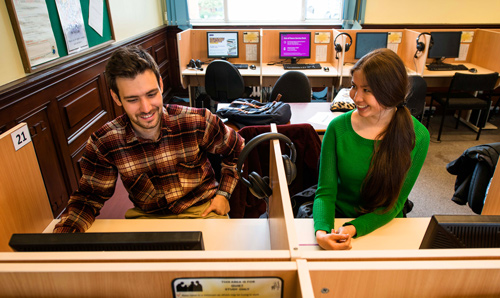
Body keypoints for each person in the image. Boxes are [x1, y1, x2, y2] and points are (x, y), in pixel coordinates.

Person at [53, 45, 244, 233]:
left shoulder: (197, 120)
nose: (146, 108)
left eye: (151, 94)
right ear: (116, 98)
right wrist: (62, 241)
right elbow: (88, 198)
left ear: (161, 85)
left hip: (201, 210)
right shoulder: (104, 142)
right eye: (133, 99)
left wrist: (224, 194)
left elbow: (237, 148)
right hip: (148, 218)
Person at [313, 48, 430, 250]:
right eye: (354, 87)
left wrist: (354, 228)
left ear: (391, 91)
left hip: (384, 224)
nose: (356, 97)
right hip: (339, 220)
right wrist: (322, 233)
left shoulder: (418, 137)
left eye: (367, 90)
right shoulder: (338, 128)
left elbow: (395, 203)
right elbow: (325, 192)